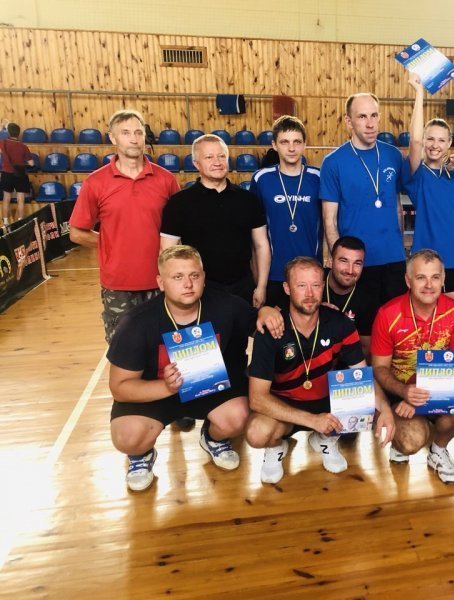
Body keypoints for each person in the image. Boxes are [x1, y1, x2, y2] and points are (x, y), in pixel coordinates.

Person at [107, 245, 251, 492]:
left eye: (194, 275)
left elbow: (259, 321)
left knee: (240, 417)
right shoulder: (136, 322)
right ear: (161, 283)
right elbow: (119, 388)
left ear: (204, 278)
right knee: (127, 437)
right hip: (156, 393)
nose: (188, 284)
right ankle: (141, 455)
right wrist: (165, 387)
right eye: (177, 277)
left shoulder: (227, 305)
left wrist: (267, 312)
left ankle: (213, 438)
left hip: (208, 386)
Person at [247, 257, 395, 484]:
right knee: (257, 433)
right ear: (287, 288)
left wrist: (385, 409)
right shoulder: (270, 330)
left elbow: (361, 376)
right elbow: (257, 399)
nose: (309, 293)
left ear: (323, 286)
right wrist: (312, 420)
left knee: (367, 404)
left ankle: (325, 439)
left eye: (315, 285)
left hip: (325, 401)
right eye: (301, 285)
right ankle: (276, 446)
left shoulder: (341, 323)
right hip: (285, 404)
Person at [69, 109, 180, 343]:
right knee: (123, 349)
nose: (134, 139)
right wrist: (111, 244)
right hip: (117, 284)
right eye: (126, 133)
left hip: (162, 280)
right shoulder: (96, 182)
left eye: (138, 132)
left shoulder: (166, 179)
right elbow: (77, 233)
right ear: (113, 138)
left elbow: (180, 229)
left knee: (165, 348)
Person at [371, 249, 454, 484]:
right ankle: (405, 435)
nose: (429, 285)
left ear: (443, 279)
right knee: (410, 442)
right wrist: (404, 392)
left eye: (435, 277)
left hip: (438, 391)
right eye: (421, 278)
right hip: (398, 394)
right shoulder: (387, 314)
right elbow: (379, 369)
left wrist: (418, 400)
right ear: (408, 281)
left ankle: (438, 450)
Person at [160, 133, 269, 308]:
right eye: (209, 157)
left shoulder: (248, 200)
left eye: (221, 156)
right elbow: (167, 252)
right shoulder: (178, 203)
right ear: (196, 163)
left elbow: (261, 245)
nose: (217, 162)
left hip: (242, 286)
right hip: (200, 289)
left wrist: (261, 286)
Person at [320, 92, 407, 308]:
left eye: (374, 115)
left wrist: (400, 248)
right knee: (360, 325)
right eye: (362, 117)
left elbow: (397, 206)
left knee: (394, 323)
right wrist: (340, 263)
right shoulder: (333, 162)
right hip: (356, 264)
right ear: (349, 121)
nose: (370, 124)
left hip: (393, 259)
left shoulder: (394, 155)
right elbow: (329, 219)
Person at [405, 74, 454, 319]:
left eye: (441, 140)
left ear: (449, 143)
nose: (435, 145)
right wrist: (419, 93)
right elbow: (414, 141)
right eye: (431, 139)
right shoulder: (418, 175)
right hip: (429, 262)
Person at [251, 116, 322, 307]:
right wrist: (260, 284)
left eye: (297, 142)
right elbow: (256, 236)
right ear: (274, 145)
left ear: (304, 144)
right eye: (284, 142)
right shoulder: (261, 179)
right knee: (276, 323)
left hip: (311, 272)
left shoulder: (318, 177)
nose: (291, 148)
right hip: (274, 273)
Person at [0, 122, 35, 225]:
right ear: (19, 133)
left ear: (9, 132)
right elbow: (31, 163)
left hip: (6, 173)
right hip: (20, 173)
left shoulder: (3, 143)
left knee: (6, 198)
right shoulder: (23, 146)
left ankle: (5, 222)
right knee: (21, 198)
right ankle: (20, 221)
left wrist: (1, 127)